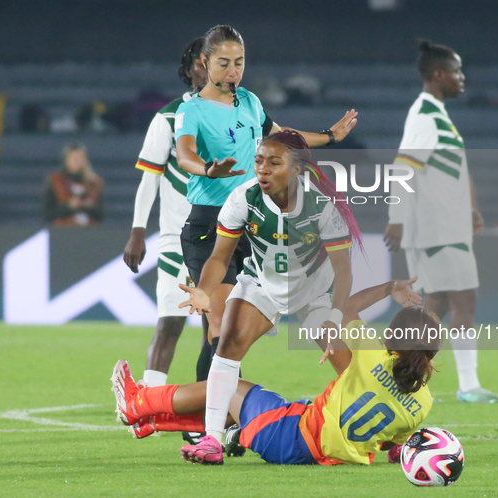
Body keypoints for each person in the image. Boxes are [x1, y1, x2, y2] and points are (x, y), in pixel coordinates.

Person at [174, 25, 358, 368]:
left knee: (234, 333)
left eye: (240, 63)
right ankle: (211, 419)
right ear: (205, 61)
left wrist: (329, 136)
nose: (233, 72)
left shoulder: (249, 102)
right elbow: (184, 155)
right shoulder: (191, 111)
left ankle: (209, 415)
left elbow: (283, 137)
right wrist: (208, 170)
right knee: (220, 328)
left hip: (253, 223)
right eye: (224, 63)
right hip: (210, 225)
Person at [175, 130, 362, 465]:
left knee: (351, 369)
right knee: (227, 346)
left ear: (297, 170)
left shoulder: (322, 206)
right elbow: (219, 257)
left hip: (315, 292)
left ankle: (390, 438)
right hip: (262, 283)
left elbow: (344, 271)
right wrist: (204, 289)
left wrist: (335, 318)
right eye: (259, 160)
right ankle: (211, 440)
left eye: (274, 163)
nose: (262, 169)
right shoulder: (243, 198)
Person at [111, 277, 436, 466]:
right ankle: (152, 422)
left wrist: (391, 286)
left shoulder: (371, 355)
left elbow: (347, 307)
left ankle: (137, 404)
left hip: (290, 436)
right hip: (319, 449)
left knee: (228, 386)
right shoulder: (423, 403)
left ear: (393, 336)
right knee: (241, 406)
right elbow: (395, 449)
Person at [383, 39, 498, 404]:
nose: (462, 77)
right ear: (438, 75)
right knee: (462, 300)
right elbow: (403, 166)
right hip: (436, 229)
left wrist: (468, 208)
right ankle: (466, 385)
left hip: (446, 227)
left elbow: (447, 170)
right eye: (456, 71)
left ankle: (395, 373)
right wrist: (397, 218)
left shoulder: (437, 115)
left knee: (432, 307)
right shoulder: (425, 115)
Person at [123, 38, 212, 446]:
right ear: (191, 67)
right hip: (179, 239)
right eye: (202, 62)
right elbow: (150, 176)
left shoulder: (234, 112)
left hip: (225, 238)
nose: (208, 68)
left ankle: (206, 420)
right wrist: (138, 230)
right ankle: (143, 403)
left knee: (219, 330)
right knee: (171, 324)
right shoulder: (169, 118)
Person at [43, 142, 104, 226]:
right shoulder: (55, 181)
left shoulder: (94, 182)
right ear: (66, 160)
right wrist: (68, 207)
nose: (77, 161)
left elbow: (102, 214)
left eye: (80, 158)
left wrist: (89, 206)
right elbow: (46, 214)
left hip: (89, 230)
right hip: (63, 230)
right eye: (74, 158)